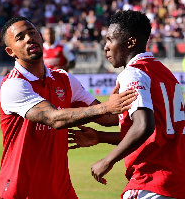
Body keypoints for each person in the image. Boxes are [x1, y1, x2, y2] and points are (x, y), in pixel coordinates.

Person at [0, 16, 138, 199]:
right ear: (11, 52)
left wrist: (143, 107)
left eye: (32, 33)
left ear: (40, 37)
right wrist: (106, 107)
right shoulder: (13, 85)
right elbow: (53, 118)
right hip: (23, 190)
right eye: (20, 37)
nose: (29, 38)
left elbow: (109, 119)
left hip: (61, 190)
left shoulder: (65, 80)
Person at [69, 10, 185, 199]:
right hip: (176, 180)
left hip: (151, 180)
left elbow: (143, 126)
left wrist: (107, 161)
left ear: (130, 42)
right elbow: (156, 132)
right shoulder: (166, 74)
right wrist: (100, 136)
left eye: (110, 40)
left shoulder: (133, 73)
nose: (105, 47)